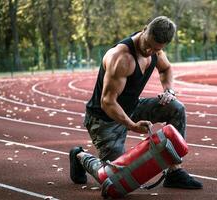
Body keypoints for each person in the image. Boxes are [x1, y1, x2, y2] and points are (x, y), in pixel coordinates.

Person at [69, 16, 203, 192]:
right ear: (145, 29)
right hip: (104, 118)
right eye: (148, 44)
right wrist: (132, 126)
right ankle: (80, 156)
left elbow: (166, 68)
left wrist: (169, 91)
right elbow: (107, 102)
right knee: (114, 181)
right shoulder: (122, 58)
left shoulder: (156, 50)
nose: (149, 50)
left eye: (155, 49)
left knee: (176, 107)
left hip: (132, 107)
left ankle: (174, 172)